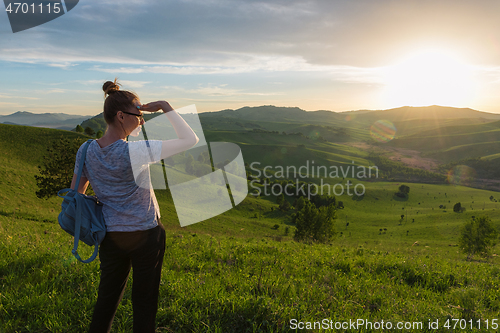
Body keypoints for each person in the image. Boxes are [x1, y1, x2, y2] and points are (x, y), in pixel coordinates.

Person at [70, 80, 199, 333]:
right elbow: (189, 139)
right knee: (144, 301)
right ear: (120, 116)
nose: (141, 121)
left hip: (109, 235)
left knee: (106, 300)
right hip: (145, 234)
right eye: (138, 116)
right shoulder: (136, 152)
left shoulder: (85, 150)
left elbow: (76, 193)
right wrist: (164, 107)